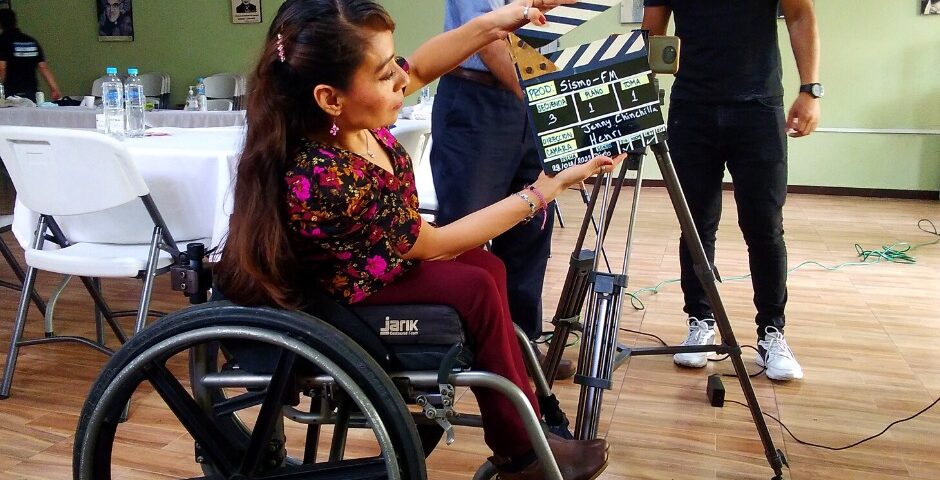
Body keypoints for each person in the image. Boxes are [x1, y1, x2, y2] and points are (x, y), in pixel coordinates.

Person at [213, 0, 624, 478]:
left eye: (394, 65)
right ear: (330, 98)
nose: (402, 80)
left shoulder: (354, 124)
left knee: (487, 267)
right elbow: (438, 243)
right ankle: (520, 452)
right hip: (342, 293)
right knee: (475, 284)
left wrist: (496, 22)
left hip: (372, 267)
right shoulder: (326, 171)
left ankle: (525, 424)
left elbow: (426, 63)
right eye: (386, 75)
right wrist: (546, 188)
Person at [642, 0, 820, 381]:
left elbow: (800, 14)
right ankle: (699, 323)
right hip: (691, 108)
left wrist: (810, 89)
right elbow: (651, 32)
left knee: (765, 226)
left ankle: (772, 333)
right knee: (695, 225)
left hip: (758, 107)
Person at [431, 0, 577, 381]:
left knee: (533, 227)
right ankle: (455, 348)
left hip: (526, 94)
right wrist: (544, 101)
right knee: (465, 233)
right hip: (477, 97)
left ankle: (521, 344)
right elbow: (487, 36)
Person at [0, 9, 61, 101]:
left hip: (11, 92)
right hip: (31, 91)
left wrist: (4, 87)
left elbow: (2, 67)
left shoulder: (3, 41)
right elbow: (43, 67)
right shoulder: (31, 41)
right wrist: (54, 89)